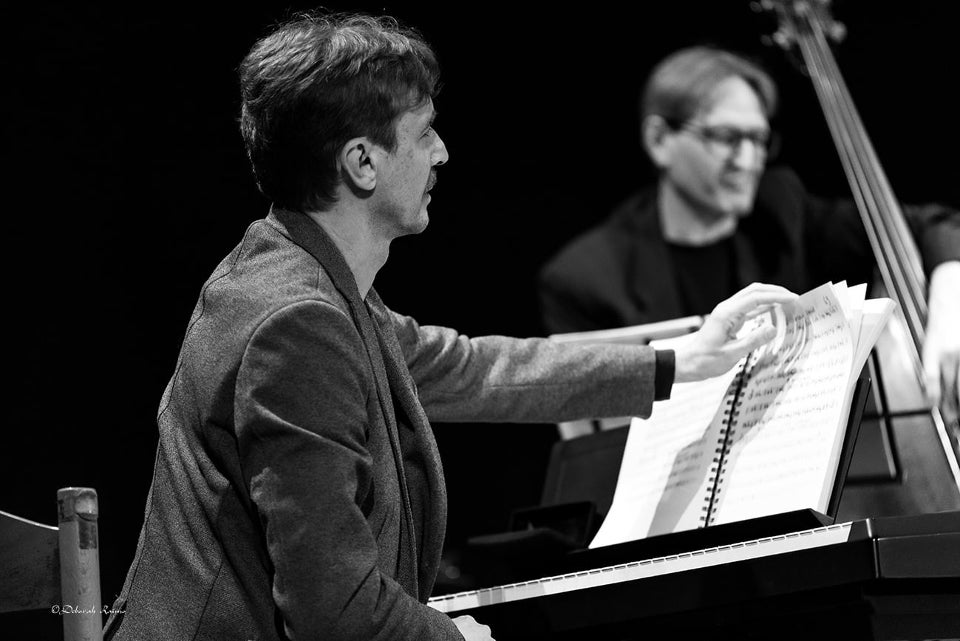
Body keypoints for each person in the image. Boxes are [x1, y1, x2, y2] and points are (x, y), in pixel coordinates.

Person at [102, 15, 796, 641]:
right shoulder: (298, 323)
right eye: (423, 131)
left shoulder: (301, 274)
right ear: (362, 162)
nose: (442, 152)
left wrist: (679, 361)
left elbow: (474, 369)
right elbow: (334, 612)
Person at [537, 46, 959, 411]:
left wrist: (950, 302)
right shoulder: (586, 279)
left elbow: (933, 224)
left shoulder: (780, 206)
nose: (748, 161)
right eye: (726, 138)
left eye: (758, 140)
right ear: (659, 140)